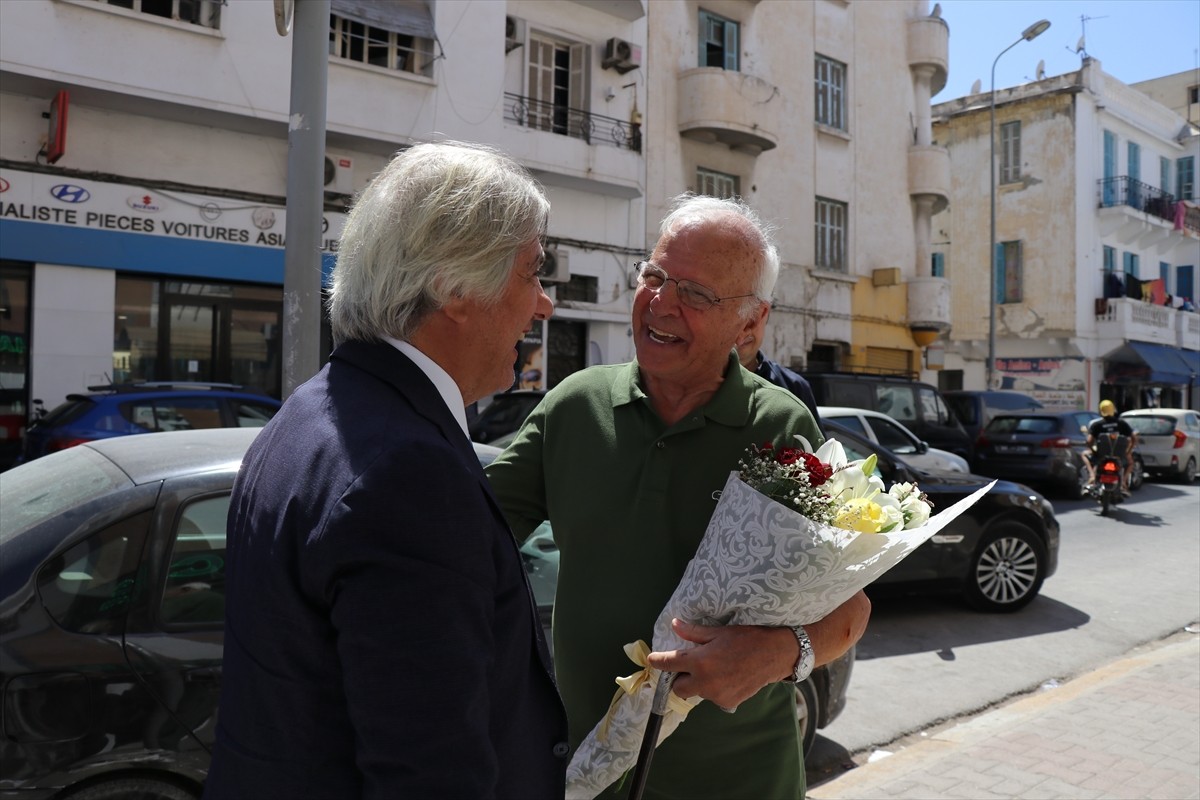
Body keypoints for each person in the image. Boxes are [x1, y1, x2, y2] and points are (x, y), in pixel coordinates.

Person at [204, 142, 569, 799]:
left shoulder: (310, 415)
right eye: (530, 274)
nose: (542, 305)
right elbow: (429, 772)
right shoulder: (409, 473)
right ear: (456, 289)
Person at [486, 194, 871, 800]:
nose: (661, 303)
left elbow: (851, 613)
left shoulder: (779, 428)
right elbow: (467, 532)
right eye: (655, 277)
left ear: (750, 323)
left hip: (740, 780)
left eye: (696, 293)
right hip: (588, 774)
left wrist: (775, 655)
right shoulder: (575, 406)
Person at [736, 305, 822, 426]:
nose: (744, 329)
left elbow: (815, 444)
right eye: (736, 315)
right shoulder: (701, 384)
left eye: (752, 315)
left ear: (765, 314)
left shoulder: (794, 388)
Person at [1085, 399, 1137, 496]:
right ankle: (1123, 482)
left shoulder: (1097, 425)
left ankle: (1092, 477)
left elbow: (1089, 442)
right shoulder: (1122, 423)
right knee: (1130, 463)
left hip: (1102, 455)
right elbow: (1134, 438)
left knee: (1084, 455)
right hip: (1120, 455)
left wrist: (1092, 450)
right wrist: (1128, 451)